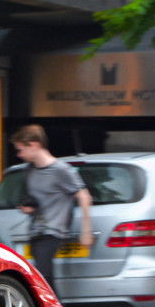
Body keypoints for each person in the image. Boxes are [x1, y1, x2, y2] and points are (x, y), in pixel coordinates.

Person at [11, 124, 93, 294]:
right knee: (43, 280)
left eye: (21, 150)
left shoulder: (61, 170)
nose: (19, 155)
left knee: (43, 280)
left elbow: (84, 197)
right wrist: (30, 208)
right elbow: (43, 199)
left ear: (33, 145)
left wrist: (86, 231)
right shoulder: (29, 170)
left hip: (52, 232)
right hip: (35, 232)